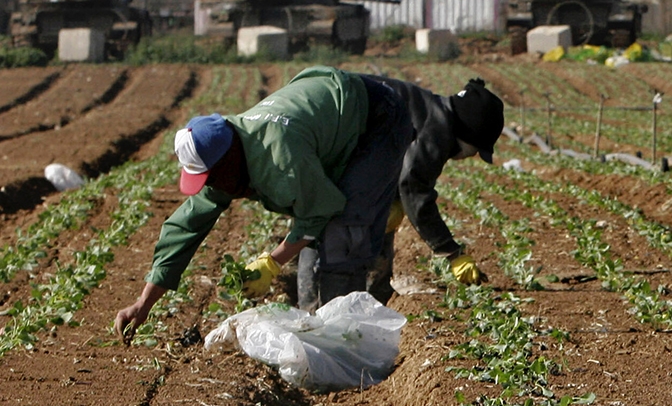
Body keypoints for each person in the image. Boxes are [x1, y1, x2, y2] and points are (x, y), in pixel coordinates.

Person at [114, 66, 412, 341]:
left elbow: (320, 211)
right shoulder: (225, 160)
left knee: (345, 233)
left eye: (209, 178)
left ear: (227, 160)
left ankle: (349, 340)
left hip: (378, 117)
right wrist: (143, 303)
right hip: (329, 120)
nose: (210, 187)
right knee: (316, 231)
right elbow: (185, 228)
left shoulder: (279, 159)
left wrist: (272, 262)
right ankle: (315, 328)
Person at [349, 76, 506, 307]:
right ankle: (322, 310)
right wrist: (452, 253)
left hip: (351, 153)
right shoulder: (435, 132)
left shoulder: (428, 108)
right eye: (475, 149)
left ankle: (368, 299)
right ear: (468, 134)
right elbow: (414, 190)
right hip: (335, 145)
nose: (471, 156)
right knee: (331, 249)